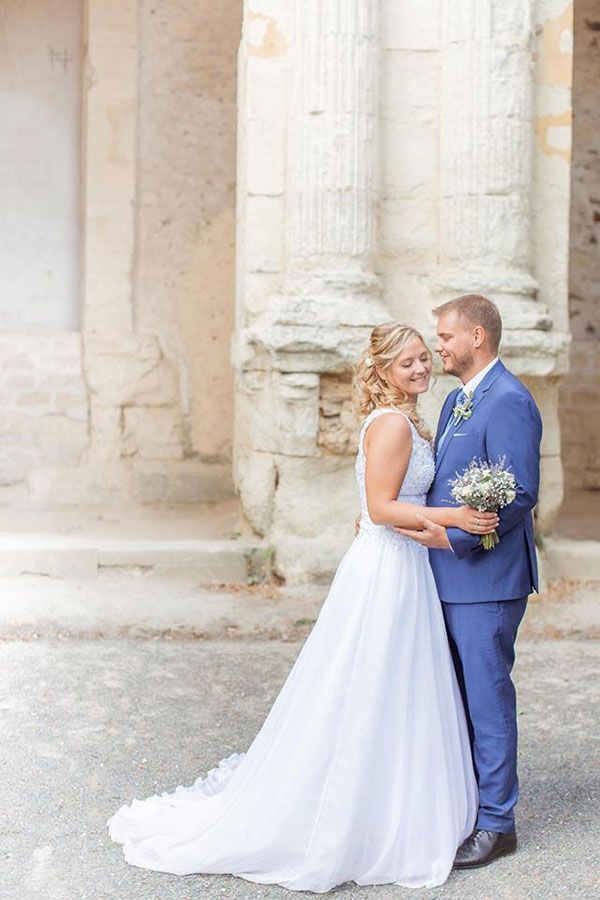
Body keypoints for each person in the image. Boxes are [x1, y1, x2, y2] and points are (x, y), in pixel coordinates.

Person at [107, 323, 498, 892]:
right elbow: (384, 508)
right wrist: (457, 519)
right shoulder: (391, 424)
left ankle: (386, 794)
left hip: (403, 564)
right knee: (372, 679)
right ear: (383, 370)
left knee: (394, 684)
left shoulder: (406, 418)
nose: (420, 368)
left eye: (423, 359)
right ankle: (351, 810)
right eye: (408, 362)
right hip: (389, 566)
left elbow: (381, 507)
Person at [397, 294, 542, 869]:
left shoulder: (509, 399)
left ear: (477, 337)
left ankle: (498, 823)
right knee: (452, 696)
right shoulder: (458, 399)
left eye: (446, 337)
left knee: (486, 697)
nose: (439, 346)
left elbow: (517, 490)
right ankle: (466, 804)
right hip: (444, 575)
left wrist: (454, 537)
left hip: (486, 579)